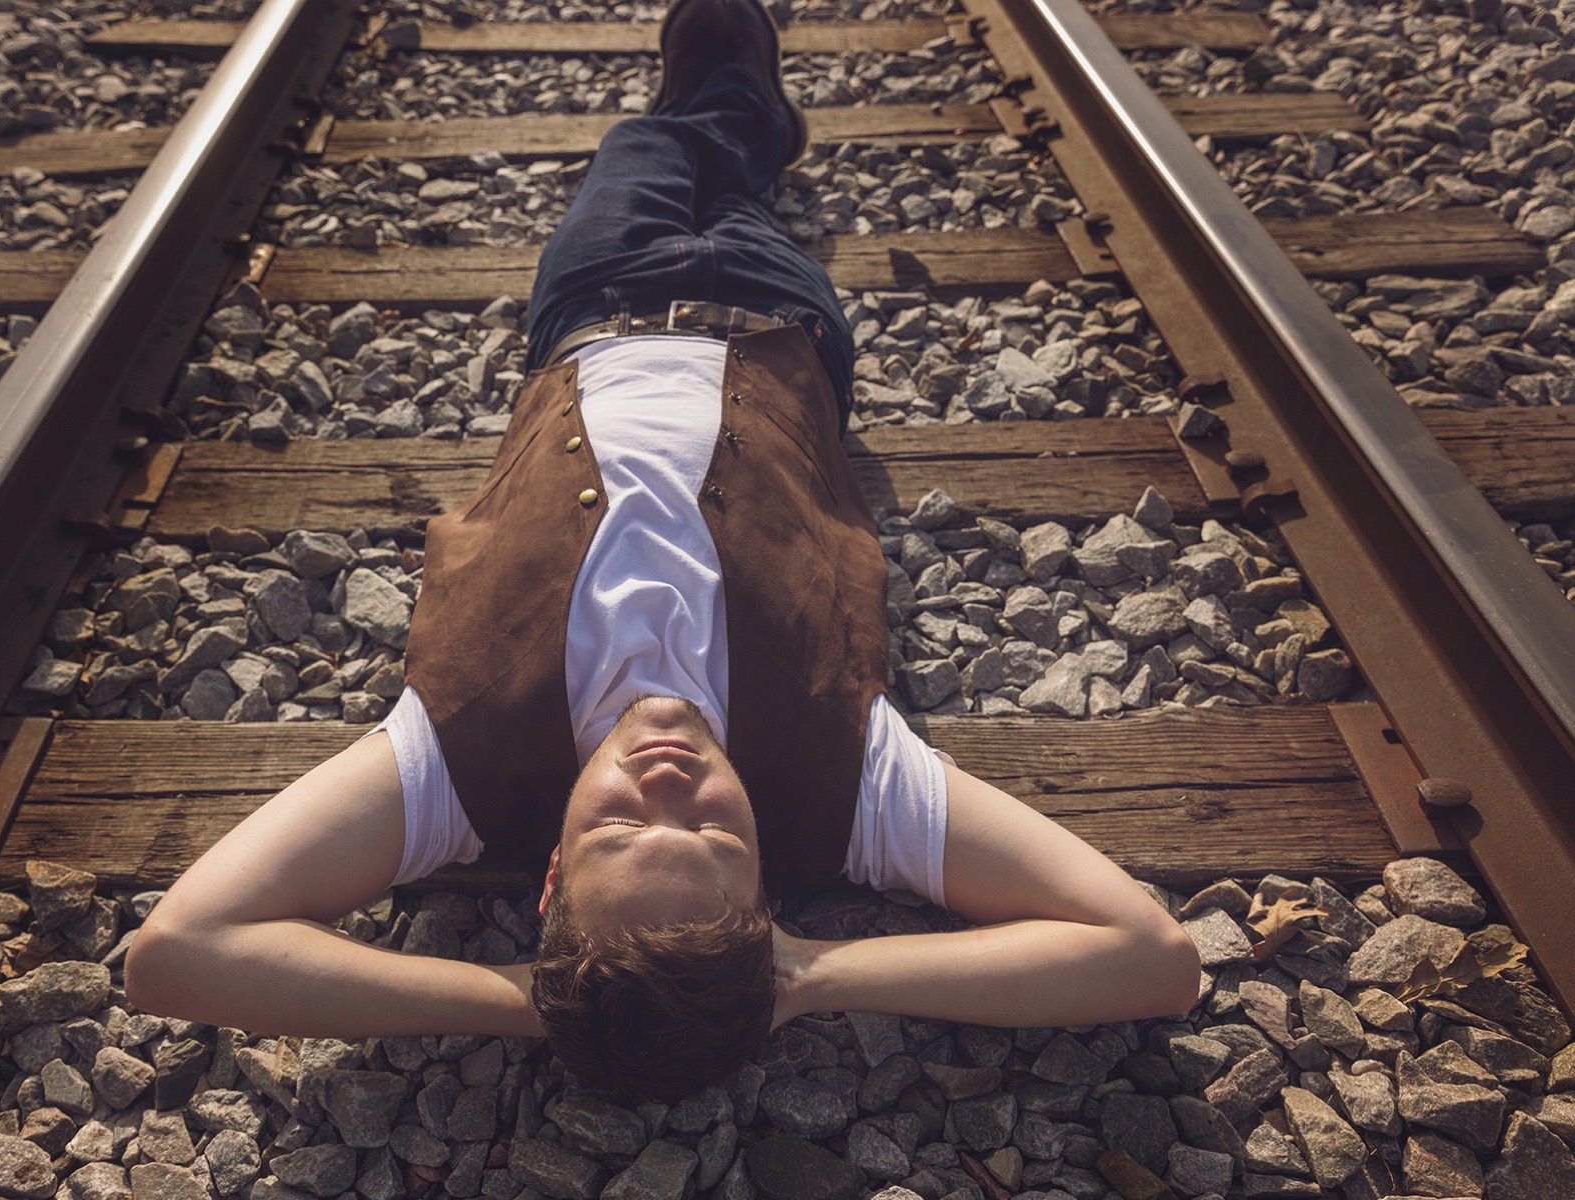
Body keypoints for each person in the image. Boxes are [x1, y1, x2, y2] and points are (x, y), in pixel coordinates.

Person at [124, 0, 1201, 1103]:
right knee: (731, 173)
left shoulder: (454, 767)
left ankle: (721, 85)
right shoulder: (846, 783)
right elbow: (1149, 956)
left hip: (595, 306)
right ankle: (736, 91)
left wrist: (517, 998)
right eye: (719, 839)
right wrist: (811, 977)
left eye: (619, 828)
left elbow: (178, 951)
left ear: (550, 871)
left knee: (639, 149)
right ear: (767, 898)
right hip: (778, 324)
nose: (670, 786)